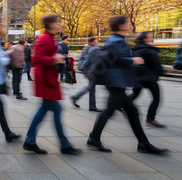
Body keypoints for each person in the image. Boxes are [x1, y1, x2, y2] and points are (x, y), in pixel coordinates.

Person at [88, 16, 167, 154]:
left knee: (130, 111)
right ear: (122, 26)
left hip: (115, 80)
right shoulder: (116, 41)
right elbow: (115, 59)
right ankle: (95, 139)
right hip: (115, 81)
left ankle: (142, 143)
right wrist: (133, 60)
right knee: (112, 111)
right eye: (127, 24)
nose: (129, 26)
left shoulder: (115, 40)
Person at [23, 14, 80, 155]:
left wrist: (55, 59)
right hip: (46, 80)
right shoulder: (44, 39)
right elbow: (37, 58)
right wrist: (54, 59)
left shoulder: (48, 38)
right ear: (52, 24)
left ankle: (30, 141)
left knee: (46, 110)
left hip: (48, 79)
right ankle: (64, 145)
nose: (59, 25)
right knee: (55, 110)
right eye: (58, 23)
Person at [129, 31, 166, 128]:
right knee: (156, 98)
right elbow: (156, 66)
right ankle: (150, 119)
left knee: (134, 95)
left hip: (138, 77)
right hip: (149, 78)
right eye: (149, 36)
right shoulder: (151, 50)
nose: (151, 37)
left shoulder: (135, 50)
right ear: (145, 39)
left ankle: (119, 104)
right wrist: (163, 72)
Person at [71, 37, 101, 112]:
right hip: (89, 70)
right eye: (97, 40)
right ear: (94, 41)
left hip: (85, 69)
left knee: (92, 87)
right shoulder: (94, 49)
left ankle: (92, 106)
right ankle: (76, 97)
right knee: (91, 86)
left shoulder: (87, 47)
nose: (98, 42)